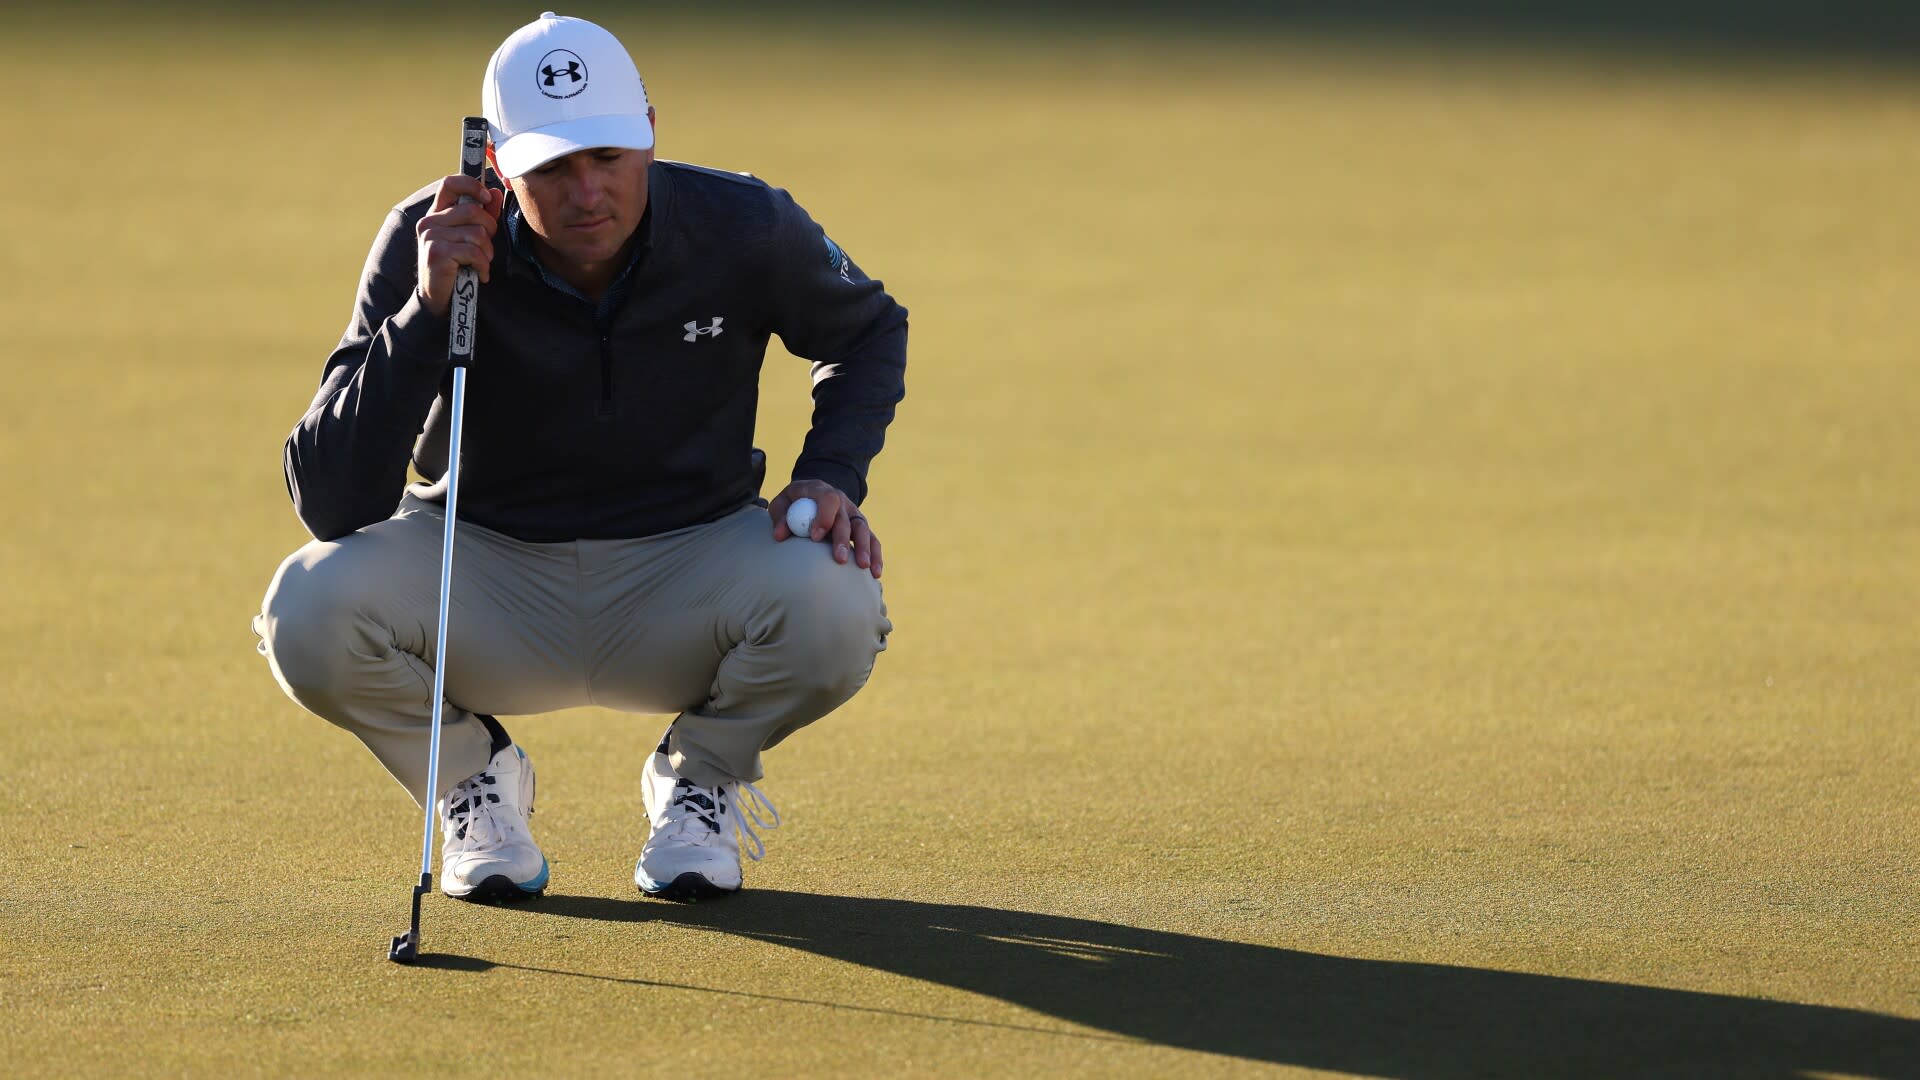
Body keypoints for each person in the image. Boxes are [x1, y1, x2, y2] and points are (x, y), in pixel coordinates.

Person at [252, 12, 904, 904]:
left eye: (607, 156)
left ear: (647, 134)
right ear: (499, 167)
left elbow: (869, 330)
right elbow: (332, 501)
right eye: (552, 166)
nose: (586, 191)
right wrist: (429, 307)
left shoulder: (742, 223)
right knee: (307, 607)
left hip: (690, 568)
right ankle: (471, 780)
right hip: (480, 570)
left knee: (837, 601)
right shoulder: (427, 236)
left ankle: (702, 776)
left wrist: (832, 472)